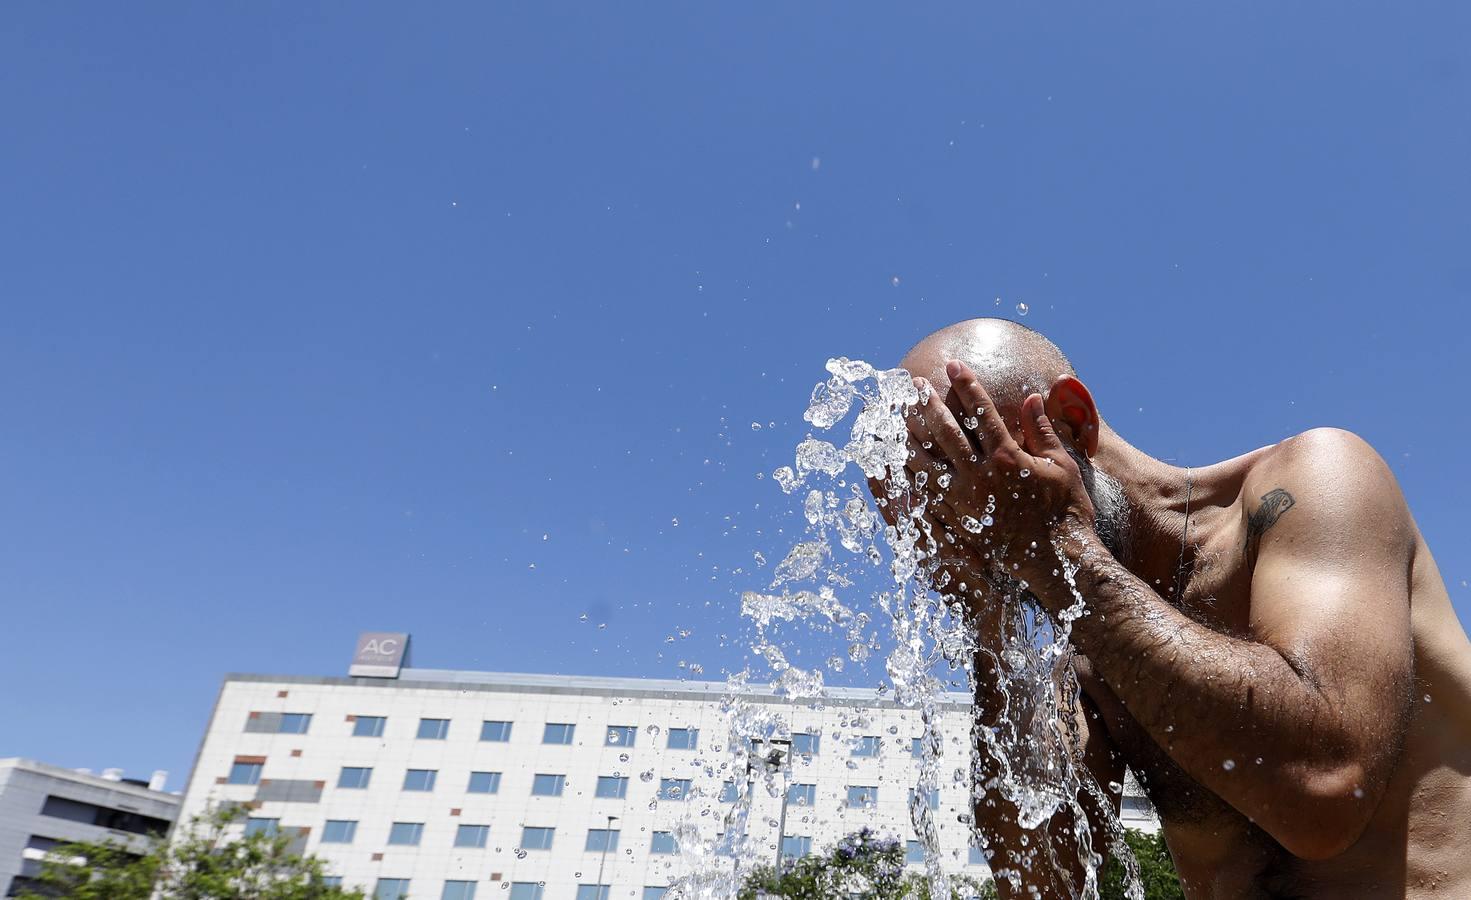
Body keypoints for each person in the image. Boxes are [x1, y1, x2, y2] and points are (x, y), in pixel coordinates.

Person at [877, 318, 1471, 898]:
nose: (959, 517)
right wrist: (989, 626)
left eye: (966, 463)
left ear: (1073, 420)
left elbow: (1326, 788)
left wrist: (1062, 551)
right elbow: (1041, 882)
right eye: (928, 495)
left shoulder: (1315, 482)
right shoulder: (1087, 642)